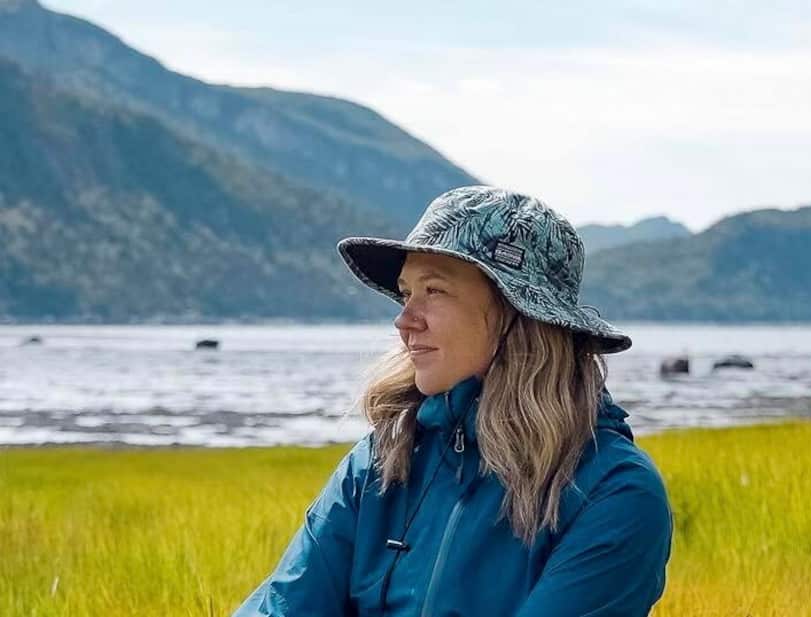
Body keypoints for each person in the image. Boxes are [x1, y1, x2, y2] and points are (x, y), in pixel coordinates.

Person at [232, 185, 672, 616]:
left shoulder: (614, 493)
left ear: (518, 315)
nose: (404, 320)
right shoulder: (380, 462)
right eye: (407, 293)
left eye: (435, 290)